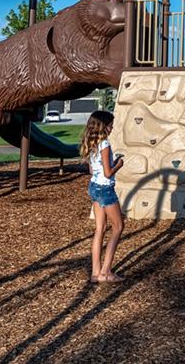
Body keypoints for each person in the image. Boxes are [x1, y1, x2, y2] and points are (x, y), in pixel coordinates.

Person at [80, 110, 125, 283]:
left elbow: (93, 170)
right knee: (118, 227)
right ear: (103, 126)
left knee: (100, 229)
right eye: (110, 125)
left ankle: (95, 273)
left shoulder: (92, 143)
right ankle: (106, 272)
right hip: (105, 190)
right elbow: (107, 173)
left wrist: (109, 164)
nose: (112, 128)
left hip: (94, 187)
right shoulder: (104, 144)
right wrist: (118, 164)